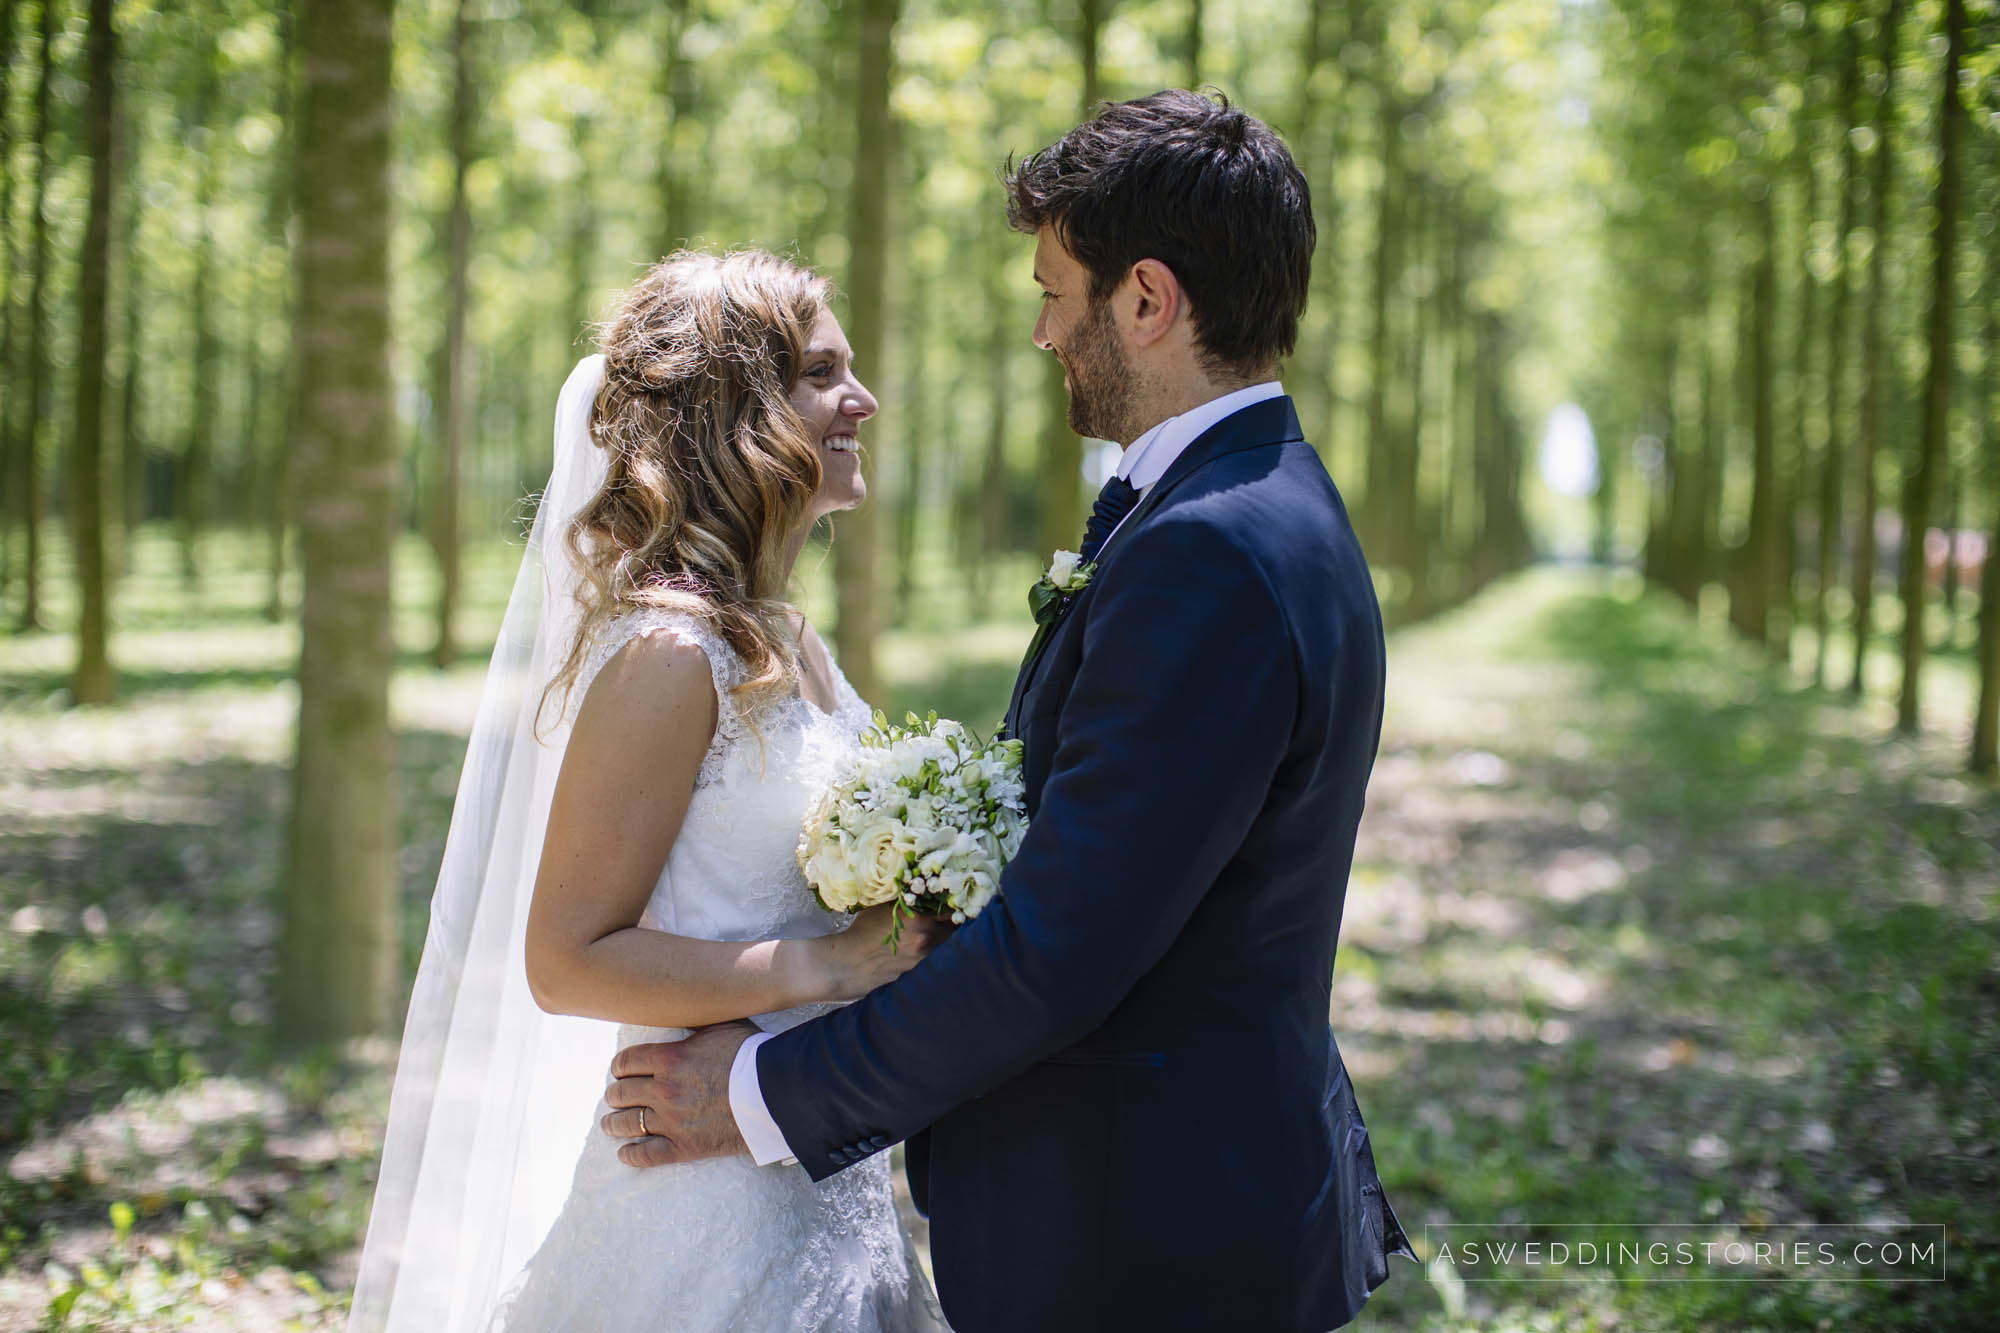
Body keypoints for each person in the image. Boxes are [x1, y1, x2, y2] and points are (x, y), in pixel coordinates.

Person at [606, 91, 1415, 1331]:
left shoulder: (1206, 550)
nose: (1042, 331)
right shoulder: (1262, 503)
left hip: (1143, 1239)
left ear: (1145, 300)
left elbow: (1057, 958)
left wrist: (761, 1092)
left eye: (1055, 291)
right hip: (1181, 1195)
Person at [347, 249, 947, 1331]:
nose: (862, 399)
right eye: (821, 374)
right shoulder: (671, 652)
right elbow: (565, 958)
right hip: (698, 1199)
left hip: (817, 1161)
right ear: (736, 412)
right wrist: (828, 964)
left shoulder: (789, 640)